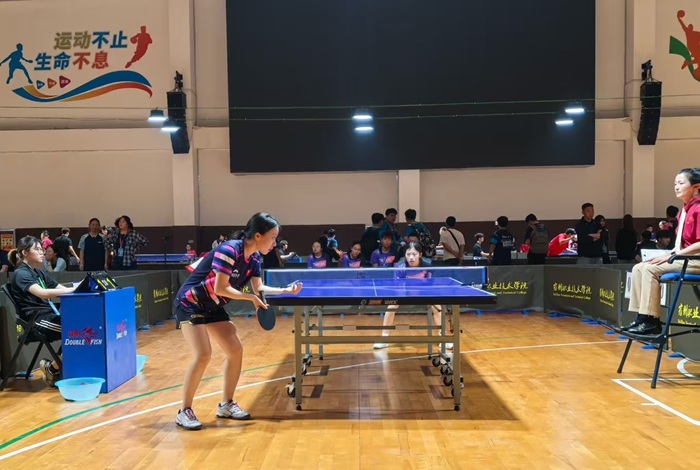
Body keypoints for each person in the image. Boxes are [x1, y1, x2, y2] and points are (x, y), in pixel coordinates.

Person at [173, 213, 303, 430]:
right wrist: (251, 298)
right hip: (191, 302)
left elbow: (258, 287)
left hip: (213, 305)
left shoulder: (255, 259)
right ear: (258, 235)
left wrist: (285, 290)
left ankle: (226, 405)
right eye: (272, 237)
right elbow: (221, 287)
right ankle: (184, 411)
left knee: (235, 350)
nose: (275, 243)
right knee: (203, 354)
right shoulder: (229, 250)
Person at [622, 168, 700, 336]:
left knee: (650, 270)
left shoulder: (699, 209)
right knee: (639, 267)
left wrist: (676, 255)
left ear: (696, 187)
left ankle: (652, 321)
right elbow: (681, 244)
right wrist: (668, 254)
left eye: (681, 183)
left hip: (696, 260)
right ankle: (642, 318)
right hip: (683, 258)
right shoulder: (683, 211)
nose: (676, 187)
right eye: (675, 183)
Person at [9, 236, 77, 386]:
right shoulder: (21, 274)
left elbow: (61, 289)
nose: (42, 252)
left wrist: (80, 287)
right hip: (36, 321)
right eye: (37, 249)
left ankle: (53, 368)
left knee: (81, 325)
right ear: (25, 253)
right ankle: (54, 369)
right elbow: (43, 293)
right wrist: (74, 289)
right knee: (77, 330)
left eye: (42, 249)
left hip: (48, 316)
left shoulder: (39, 273)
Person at [373, 242, 450, 349]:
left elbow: (431, 284)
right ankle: (384, 338)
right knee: (391, 306)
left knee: (437, 306)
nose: (411, 257)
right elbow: (398, 287)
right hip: (405, 292)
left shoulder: (427, 265)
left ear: (420, 254)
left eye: (414, 254)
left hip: (423, 291)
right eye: (408, 254)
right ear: (405, 255)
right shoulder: (400, 267)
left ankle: (443, 338)